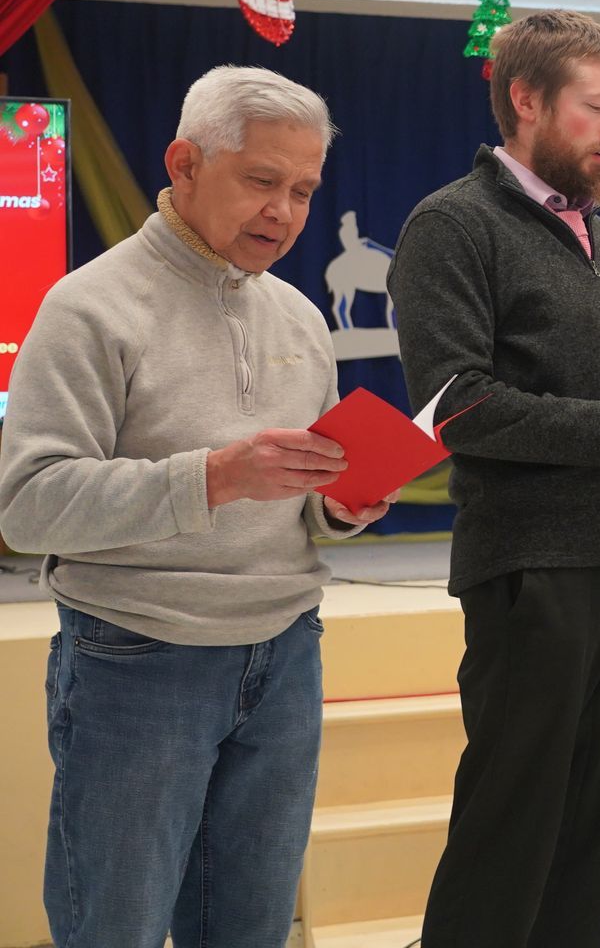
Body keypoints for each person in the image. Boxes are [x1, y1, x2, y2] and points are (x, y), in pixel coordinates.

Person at [0, 66, 387, 947]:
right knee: (117, 927)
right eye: (261, 181)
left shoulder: (300, 316)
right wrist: (212, 477)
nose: (283, 212)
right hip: (138, 658)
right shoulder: (88, 306)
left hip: (286, 651)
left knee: (250, 929)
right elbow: (27, 505)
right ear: (183, 163)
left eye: (303, 190)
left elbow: (300, 503)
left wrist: (346, 504)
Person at [388, 10, 600, 948]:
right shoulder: (453, 223)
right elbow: (453, 405)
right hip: (531, 571)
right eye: (599, 106)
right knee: (510, 832)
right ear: (526, 101)